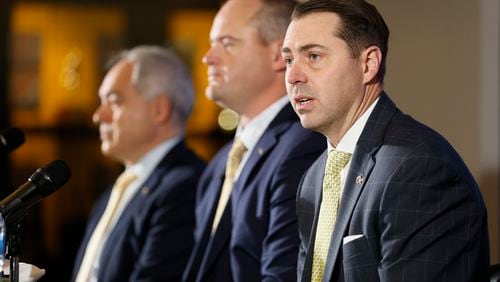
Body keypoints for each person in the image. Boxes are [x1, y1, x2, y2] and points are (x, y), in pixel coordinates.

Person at [281, 0, 490, 281]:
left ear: (368, 64)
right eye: (289, 60)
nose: (293, 76)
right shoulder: (314, 177)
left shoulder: (419, 169)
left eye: (314, 56)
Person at [182, 0, 325, 281]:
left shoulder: (303, 146)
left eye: (226, 42)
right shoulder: (219, 164)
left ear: (277, 54)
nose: (208, 57)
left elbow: (283, 273)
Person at [71, 46, 205, 281]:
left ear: (159, 109)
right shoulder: (117, 190)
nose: (99, 116)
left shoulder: (186, 187)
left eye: (114, 101)